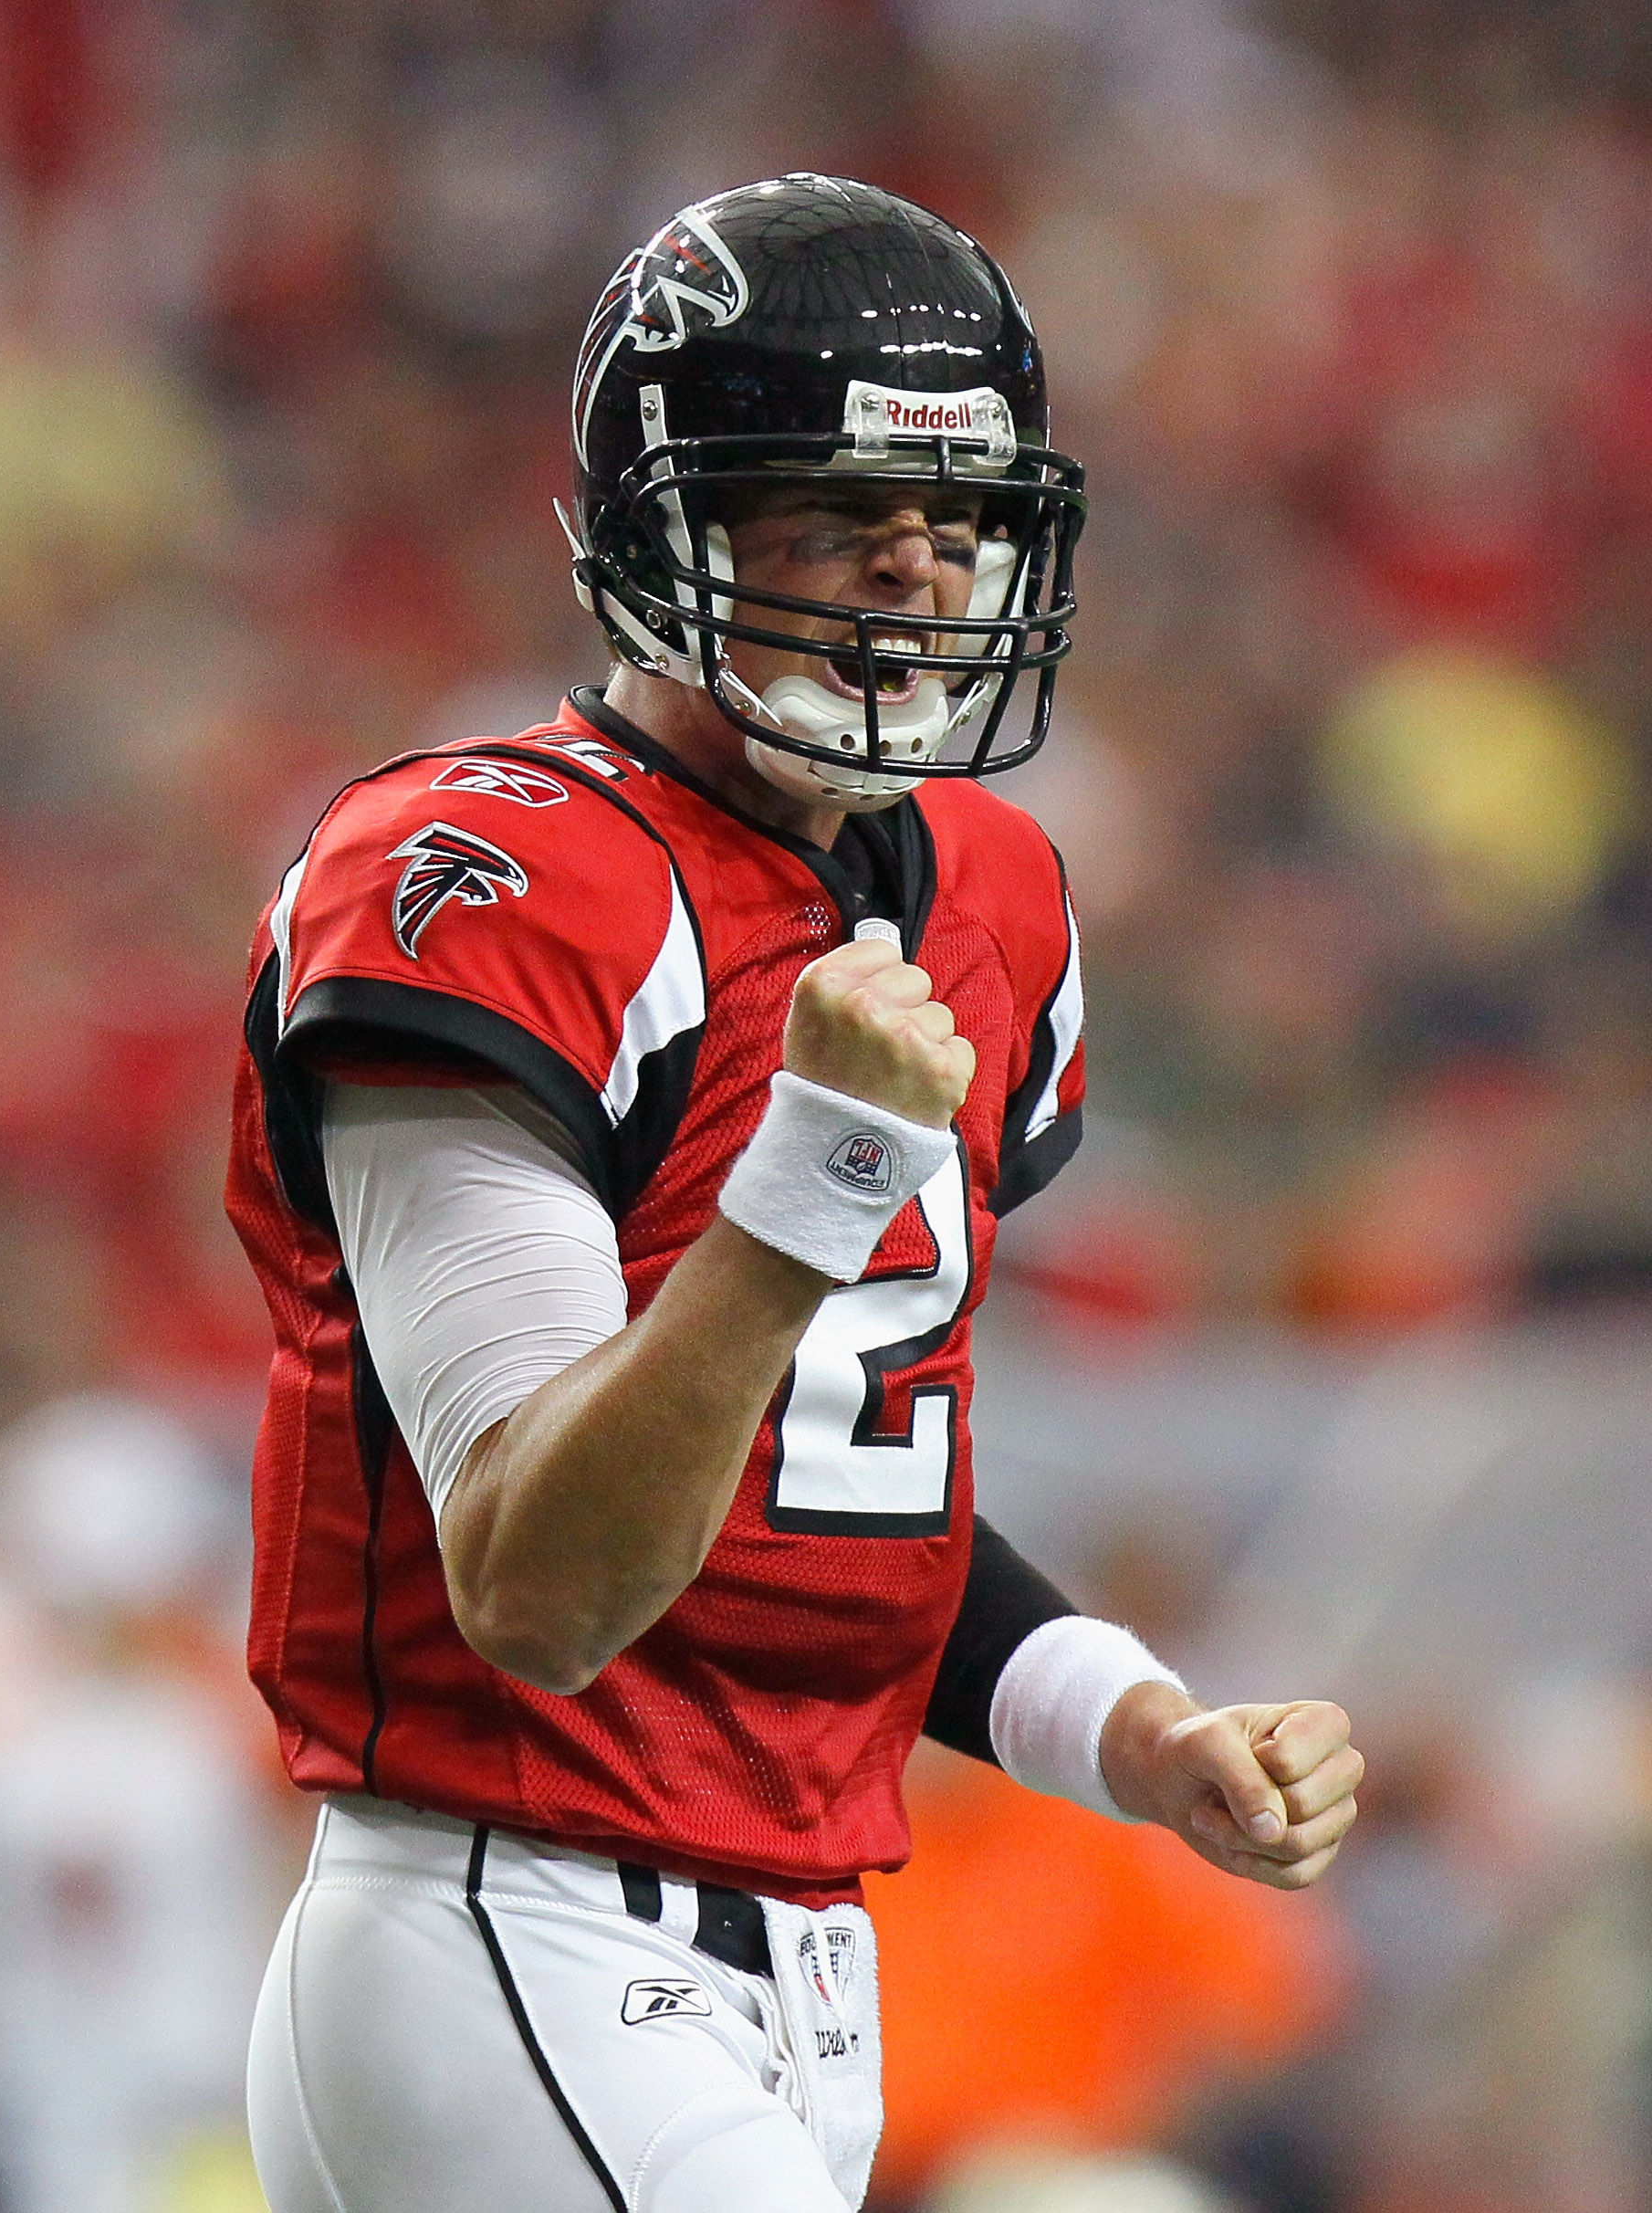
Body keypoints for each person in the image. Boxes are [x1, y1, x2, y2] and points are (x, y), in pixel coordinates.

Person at [226, 174, 1362, 2213]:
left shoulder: (991, 890)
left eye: (960, 520)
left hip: (797, 1967)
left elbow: (833, 1487)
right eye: (838, 516)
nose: (915, 579)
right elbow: (543, 1587)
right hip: (521, 1923)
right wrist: (818, 1168)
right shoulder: (486, 880)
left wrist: (1132, 1724)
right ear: (666, 538)